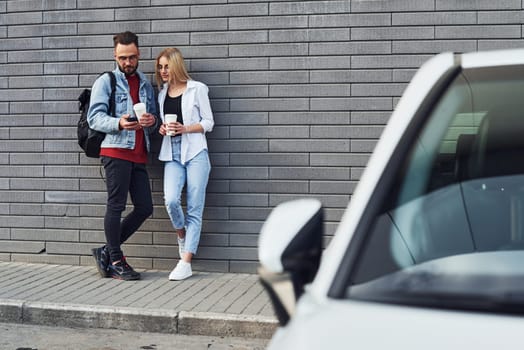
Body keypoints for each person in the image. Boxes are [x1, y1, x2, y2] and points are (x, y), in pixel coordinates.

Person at [87, 31, 158, 281]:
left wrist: (151, 121)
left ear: (139, 55)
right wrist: (119, 122)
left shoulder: (145, 83)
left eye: (132, 57)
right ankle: (116, 259)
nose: (127, 62)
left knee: (145, 207)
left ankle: (106, 250)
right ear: (115, 56)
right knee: (116, 205)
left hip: (139, 153)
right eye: (123, 58)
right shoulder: (107, 81)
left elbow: (152, 117)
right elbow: (94, 118)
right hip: (115, 150)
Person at [155, 47, 214, 280]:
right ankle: (182, 234)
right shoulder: (162, 93)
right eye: (160, 67)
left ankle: (186, 261)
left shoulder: (197, 89)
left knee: (194, 207)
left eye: (166, 66)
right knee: (170, 200)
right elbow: (164, 123)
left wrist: (185, 128)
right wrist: (162, 128)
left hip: (196, 152)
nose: (163, 71)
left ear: (177, 65)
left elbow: (209, 122)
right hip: (172, 153)